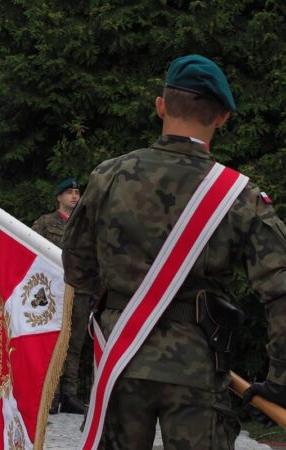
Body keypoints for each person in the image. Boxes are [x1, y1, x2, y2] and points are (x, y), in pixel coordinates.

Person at [61, 54, 285, 448]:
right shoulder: (239, 197)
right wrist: (281, 381)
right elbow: (281, 291)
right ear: (222, 118)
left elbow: (77, 268)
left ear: (161, 106)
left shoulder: (107, 177)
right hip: (197, 368)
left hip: (121, 360)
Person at [32, 177, 89, 415]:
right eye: (69, 192)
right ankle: (51, 394)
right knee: (54, 340)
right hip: (53, 291)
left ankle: (70, 395)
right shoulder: (46, 223)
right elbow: (32, 250)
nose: (74, 196)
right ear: (59, 197)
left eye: (77, 192)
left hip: (81, 290)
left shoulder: (86, 225)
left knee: (75, 342)